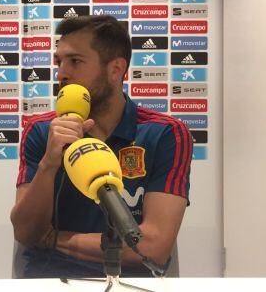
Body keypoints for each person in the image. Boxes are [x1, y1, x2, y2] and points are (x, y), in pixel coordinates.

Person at [11, 15, 192, 278]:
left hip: (133, 282)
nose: (62, 73)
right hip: (51, 279)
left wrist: (53, 239)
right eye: (59, 62)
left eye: (75, 61)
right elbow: (26, 232)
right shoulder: (41, 131)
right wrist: (49, 164)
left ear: (116, 70)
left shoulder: (166, 134)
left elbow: (152, 247)